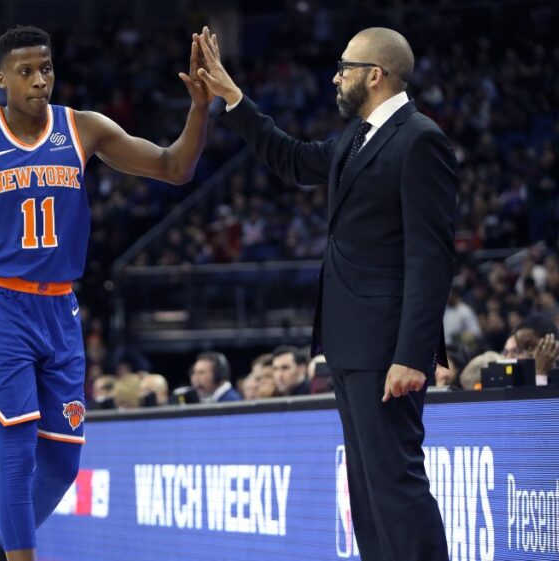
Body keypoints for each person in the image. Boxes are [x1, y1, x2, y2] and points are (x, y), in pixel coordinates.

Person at [0, 25, 209, 561]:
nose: (39, 80)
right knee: (18, 454)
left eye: (45, 68)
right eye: (25, 71)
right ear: (1, 79)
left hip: (60, 306)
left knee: (64, 462)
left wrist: (199, 109)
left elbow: (174, 167)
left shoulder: (83, 128)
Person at [195, 26, 455, 561]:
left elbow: (431, 259)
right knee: (365, 488)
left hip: (387, 349)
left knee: (394, 482)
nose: (336, 77)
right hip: (347, 341)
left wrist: (413, 354)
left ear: (375, 75)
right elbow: (290, 158)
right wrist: (233, 97)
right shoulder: (355, 138)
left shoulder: (419, 138)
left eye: (345, 68)